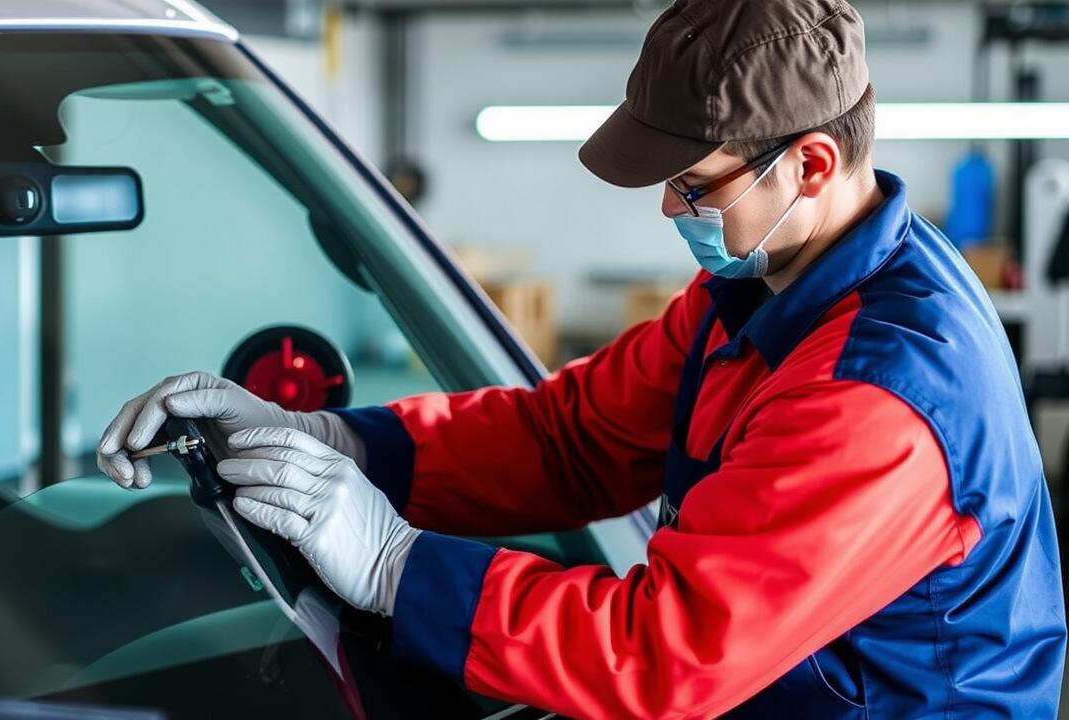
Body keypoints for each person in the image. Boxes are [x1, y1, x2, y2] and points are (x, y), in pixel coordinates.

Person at [97, 0, 1067, 716]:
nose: (665, 211)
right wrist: (336, 444)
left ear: (810, 164)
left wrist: (398, 569)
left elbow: (667, 650)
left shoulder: (879, 396)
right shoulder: (760, 288)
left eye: (691, 185)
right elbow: (570, 440)